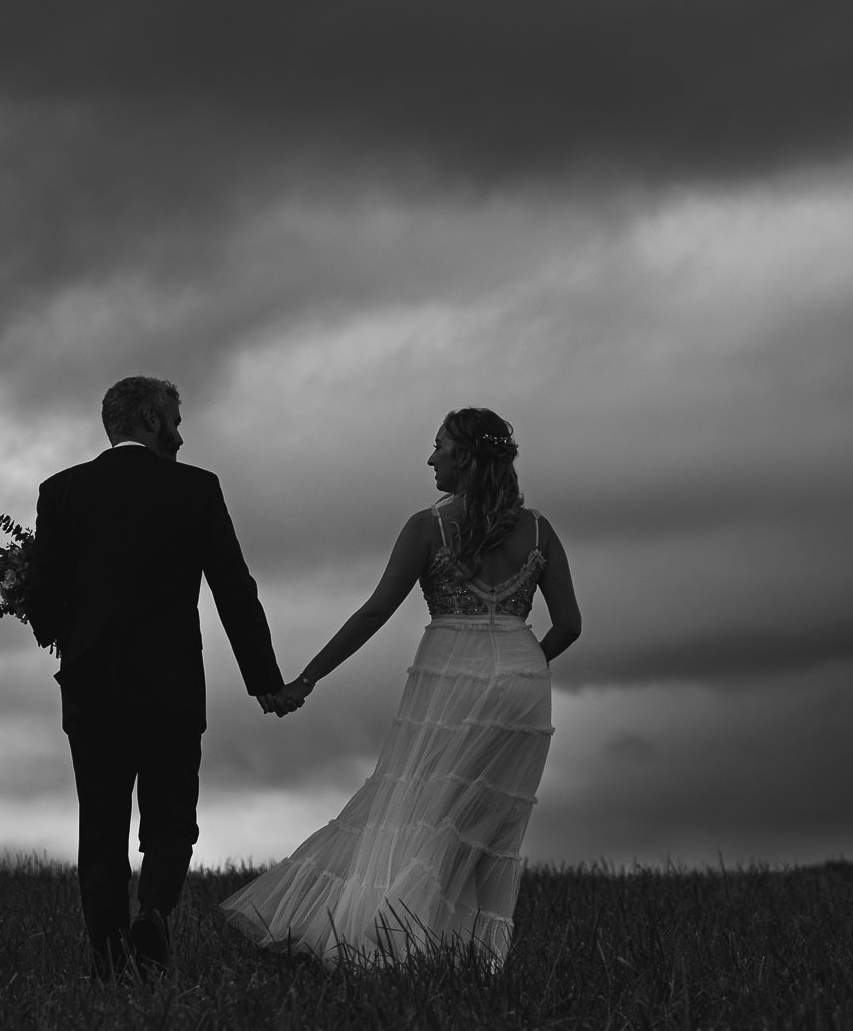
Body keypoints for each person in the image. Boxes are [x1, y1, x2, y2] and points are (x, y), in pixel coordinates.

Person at [219, 407, 582, 967]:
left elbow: (374, 613)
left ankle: (400, 949)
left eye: (438, 446)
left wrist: (306, 679)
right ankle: (483, 962)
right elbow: (570, 625)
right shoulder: (539, 528)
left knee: (428, 813)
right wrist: (523, 664)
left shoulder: (427, 527)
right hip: (524, 682)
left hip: (449, 678)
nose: (430, 457)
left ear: (462, 456)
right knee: (497, 830)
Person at [24, 376, 292, 979]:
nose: (180, 430)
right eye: (174, 416)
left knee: (100, 826)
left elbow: (42, 593)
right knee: (171, 815)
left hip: (91, 684)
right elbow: (233, 589)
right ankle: (155, 912)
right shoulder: (195, 488)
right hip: (169, 682)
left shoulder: (62, 491)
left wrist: (68, 628)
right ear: (148, 417)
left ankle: (107, 962)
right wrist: (264, 678)